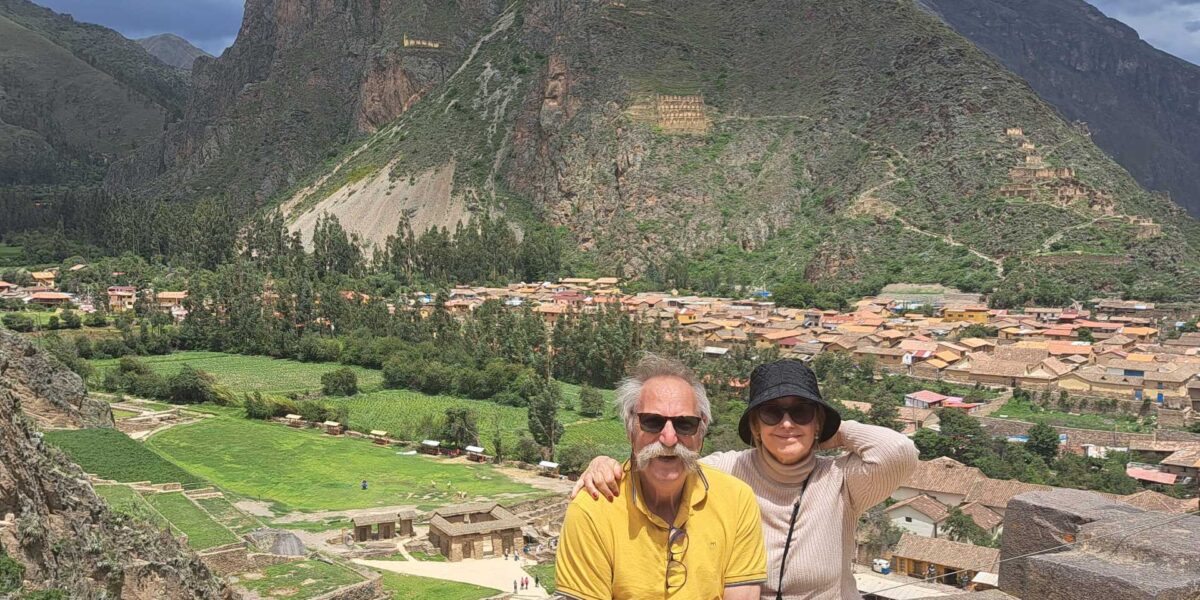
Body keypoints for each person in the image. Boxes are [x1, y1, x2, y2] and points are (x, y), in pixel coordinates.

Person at [572, 359, 919, 599]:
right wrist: (606, 464)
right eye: (772, 413)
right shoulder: (728, 473)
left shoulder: (841, 480)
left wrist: (829, 431)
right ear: (754, 426)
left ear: (819, 423)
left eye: (800, 411)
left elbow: (898, 450)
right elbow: (668, 458)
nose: (785, 423)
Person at [555, 354, 768, 600]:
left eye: (684, 424)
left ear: (702, 429)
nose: (669, 439)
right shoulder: (593, 509)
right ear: (629, 428)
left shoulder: (736, 500)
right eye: (652, 422)